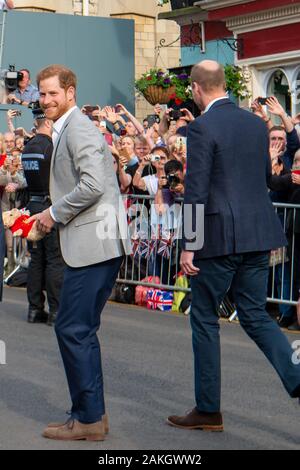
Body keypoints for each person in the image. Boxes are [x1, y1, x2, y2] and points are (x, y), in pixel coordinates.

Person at [167, 60, 300, 432]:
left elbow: (195, 189)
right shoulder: (255, 124)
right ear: (224, 84)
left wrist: (190, 243)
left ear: (196, 89)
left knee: (205, 316)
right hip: (258, 234)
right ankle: (295, 371)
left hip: (219, 238)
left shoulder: (202, 126)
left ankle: (208, 409)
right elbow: (262, 178)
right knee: (255, 314)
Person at [31, 64, 131, 441]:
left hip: (94, 246)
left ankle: (87, 418)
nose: (46, 101)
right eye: (42, 94)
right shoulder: (70, 129)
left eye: (52, 93)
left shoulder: (79, 128)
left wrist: (53, 214)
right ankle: (92, 417)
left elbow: (93, 184)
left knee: (71, 328)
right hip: (96, 244)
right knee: (80, 330)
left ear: (70, 92)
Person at [21, 103, 65, 325]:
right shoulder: (50, 147)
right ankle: (56, 311)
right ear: (47, 122)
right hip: (49, 206)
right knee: (55, 260)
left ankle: (34, 308)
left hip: (33, 205)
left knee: (36, 259)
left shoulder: (27, 147)